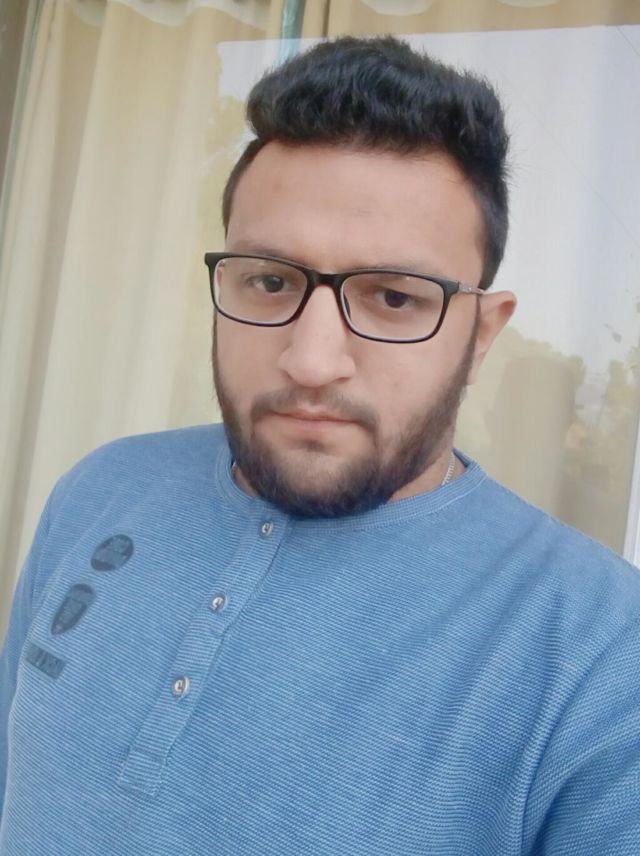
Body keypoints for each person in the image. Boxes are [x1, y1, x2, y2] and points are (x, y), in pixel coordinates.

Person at [1, 35, 639, 856]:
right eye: (269, 281)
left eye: (394, 298)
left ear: (482, 334)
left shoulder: (601, 650)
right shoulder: (100, 490)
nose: (310, 360)